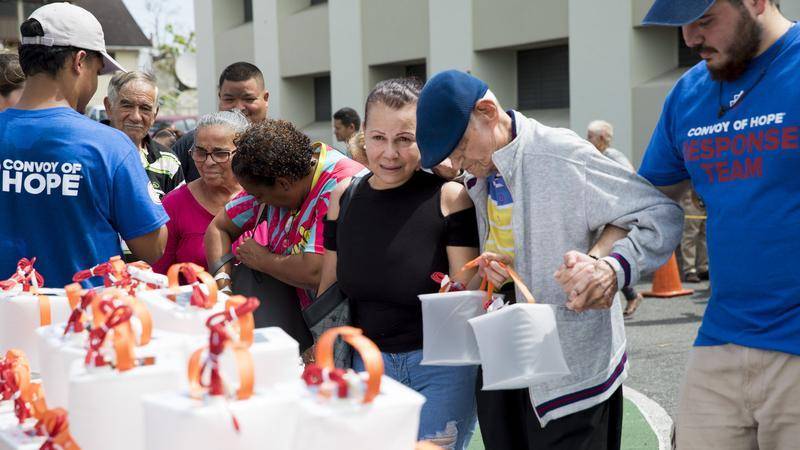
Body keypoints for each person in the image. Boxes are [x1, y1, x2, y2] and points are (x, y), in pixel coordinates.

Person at [415, 70, 683, 449]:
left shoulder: (559, 154)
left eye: (460, 148)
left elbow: (659, 214)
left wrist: (610, 267)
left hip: (571, 380)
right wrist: (500, 274)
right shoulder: (483, 173)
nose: (459, 164)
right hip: (506, 363)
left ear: (488, 111)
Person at [638, 0, 800, 447]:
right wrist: (605, 262)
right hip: (721, 337)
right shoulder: (689, 93)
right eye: (682, 25)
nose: (689, 38)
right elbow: (648, 200)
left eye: (704, 20)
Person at [318, 78, 479, 450]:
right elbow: (329, 287)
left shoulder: (450, 198)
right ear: (362, 137)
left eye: (405, 139)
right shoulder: (343, 198)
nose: (390, 153)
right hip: (366, 364)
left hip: (442, 368)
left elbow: (465, 292)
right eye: (378, 138)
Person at [0, 3, 167, 286]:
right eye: (97, 72)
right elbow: (152, 248)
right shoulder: (110, 146)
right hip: (83, 319)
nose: (93, 85)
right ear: (79, 61)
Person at [205, 119, 363, 308]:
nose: (257, 201)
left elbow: (314, 271)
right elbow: (218, 228)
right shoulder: (268, 172)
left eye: (259, 196)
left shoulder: (339, 186)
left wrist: (264, 260)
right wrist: (223, 290)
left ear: (283, 184)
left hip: (354, 323)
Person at [152, 111, 247, 274]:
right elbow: (160, 276)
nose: (208, 162)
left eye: (220, 153)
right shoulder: (174, 204)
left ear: (244, 153)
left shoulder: (264, 199)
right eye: (201, 152)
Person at [586, 119, 645, 317]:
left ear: (601, 139)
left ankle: (626, 296)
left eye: (590, 136)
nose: (586, 139)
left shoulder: (613, 156)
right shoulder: (596, 155)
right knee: (606, 257)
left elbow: (632, 179)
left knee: (609, 256)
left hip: (616, 218)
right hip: (604, 214)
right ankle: (629, 295)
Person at [173, 62, 268, 182]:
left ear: (265, 98)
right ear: (220, 98)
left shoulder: (278, 146)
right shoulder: (191, 144)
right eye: (229, 99)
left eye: (248, 99)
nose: (238, 108)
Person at [104, 71, 184, 201]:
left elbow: (177, 215)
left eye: (145, 108)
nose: (136, 117)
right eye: (127, 106)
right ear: (109, 107)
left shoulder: (168, 162)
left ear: (155, 114)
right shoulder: (90, 152)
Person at [679, 188, 708, 282]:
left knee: (705, 234)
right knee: (690, 234)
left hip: (705, 194)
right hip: (691, 192)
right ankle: (689, 269)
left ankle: (703, 267)